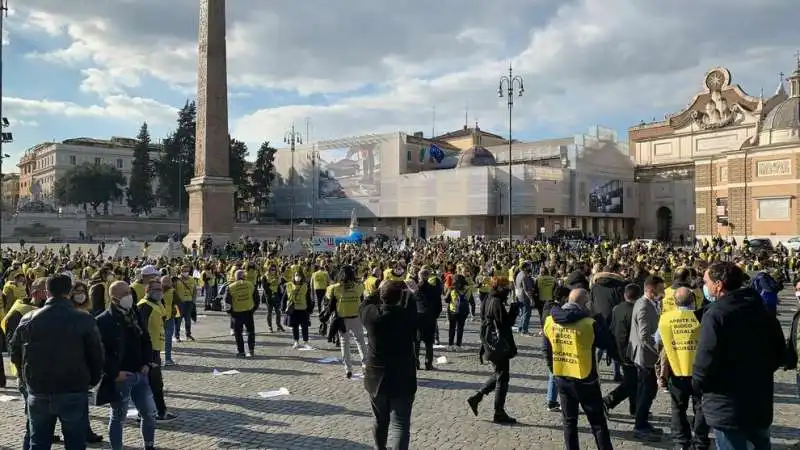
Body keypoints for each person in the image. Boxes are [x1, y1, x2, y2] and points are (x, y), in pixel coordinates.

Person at [693, 261, 784, 450]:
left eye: (706, 281)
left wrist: (698, 384)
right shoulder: (762, 310)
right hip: (759, 399)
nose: (705, 286)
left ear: (718, 285)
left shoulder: (716, 314)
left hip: (726, 403)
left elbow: (705, 360)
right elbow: (779, 354)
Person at [10, 275, 105, 450]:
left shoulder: (29, 318)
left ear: (47, 292)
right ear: (69, 292)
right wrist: (91, 381)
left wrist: (26, 377)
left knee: (38, 443)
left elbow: (15, 353)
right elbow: (97, 356)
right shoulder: (83, 319)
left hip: (39, 390)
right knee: (75, 443)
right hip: (73, 389)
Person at [543, 288, 614, 450]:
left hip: (562, 376)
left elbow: (546, 350)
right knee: (598, 424)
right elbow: (608, 343)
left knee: (569, 423)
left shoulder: (550, 321)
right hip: (586, 378)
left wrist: (554, 370)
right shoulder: (590, 323)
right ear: (586, 304)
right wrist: (597, 315)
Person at [95, 280, 158, 450]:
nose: (128, 296)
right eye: (124, 294)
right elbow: (99, 352)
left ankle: (149, 445)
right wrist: (114, 373)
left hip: (140, 372)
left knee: (150, 413)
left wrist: (147, 362)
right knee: (118, 417)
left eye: (129, 292)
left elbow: (146, 339)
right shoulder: (103, 320)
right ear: (114, 298)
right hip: (121, 376)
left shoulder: (135, 312)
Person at [361, 280, 417, 450]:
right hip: (402, 375)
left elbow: (365, 304)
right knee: (400, 425)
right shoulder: (407, 316)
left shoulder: (372, 317)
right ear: (400, 298)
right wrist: (411, 291)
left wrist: (379, 289)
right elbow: (416, 307)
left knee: (379, 419)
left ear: (381, 297)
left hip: (376, 377)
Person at [657, 287, 710, 450]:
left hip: (676, 370)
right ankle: (700, 441)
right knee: (700, 406)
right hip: (699, 370)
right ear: (693, 300)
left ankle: (681, 441)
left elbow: (656, 341)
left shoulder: (665, 319)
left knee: (678, 408)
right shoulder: (701, 318)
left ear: (675, 301)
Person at [467, 276, 519, 423]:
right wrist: (514, 311)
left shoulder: (488, 299)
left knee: (500, 374)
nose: (508, 292)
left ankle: (477, 397)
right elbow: (505, 323)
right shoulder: (496, 302)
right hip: (498, 345)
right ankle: (498, 411)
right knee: (502, 376)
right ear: (500, 288)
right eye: (506, 289)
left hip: (490, 344)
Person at [68, 281, 105, 444]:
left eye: (83, 291)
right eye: (77, 291)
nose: (80, 294)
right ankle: (83, 433)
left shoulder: (87, 313)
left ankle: (85, 431)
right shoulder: (69, 313)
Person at [629, 275, 665, 441]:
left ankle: (643, 422)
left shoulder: (652, 303)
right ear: (651, 290)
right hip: (645, 356)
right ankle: (640, 425)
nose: (663, 292)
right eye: (660, 289)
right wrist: (659, 351)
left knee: (650, 390)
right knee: (646, 391)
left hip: (648, 355)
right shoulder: (643, 305)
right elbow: (644, 335)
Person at [137, 279, 179, 422]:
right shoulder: (144, 306)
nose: (159, 292)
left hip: (155, 348)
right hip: (149, 351)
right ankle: (158, 412)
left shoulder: (157, 304)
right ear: (147, 291)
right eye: (155, 289)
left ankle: (156, 411)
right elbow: (140, 331)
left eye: (160, 289)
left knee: (154, 383)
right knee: (153, 383)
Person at [603, 283, 642, 417]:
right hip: (629, 352)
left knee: (633, 381)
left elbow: (611, 327)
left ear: (625, 295)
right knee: (631, 383)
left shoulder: (617, 308)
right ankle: (608, 401)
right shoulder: (637, 311)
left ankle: (635, 408)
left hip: (618, 350)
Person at [327, 265, 367, 378]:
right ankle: (365, 365)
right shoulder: (359, 287)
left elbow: (331, 305)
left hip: (342, 319)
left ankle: (348, 369)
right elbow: (362, 300)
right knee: (360, 342)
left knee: (345, 344)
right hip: (356, 317)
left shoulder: (335, 288)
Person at [225, 269, 260, 358]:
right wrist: (253, 309)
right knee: (251, 332)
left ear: (235, 277)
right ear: (244, 276)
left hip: (236, 313)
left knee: (238, 333)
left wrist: (230, 312)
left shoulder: (230, 287)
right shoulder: (251, 284)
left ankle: (241, 352)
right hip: (248, 311)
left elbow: (227, 302)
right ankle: (251, 350)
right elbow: (257, 299)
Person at [414, 266, 442, 370]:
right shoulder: (434, 289)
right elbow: (439, 305)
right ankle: (428, 363)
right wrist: (435, 315)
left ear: (419, 277)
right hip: (430, 317)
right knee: (429, 342)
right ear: (428, 276)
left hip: (418, 317)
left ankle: (416, 363)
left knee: (416, 342)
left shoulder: (415, 290)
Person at [283, 270, 313, 349]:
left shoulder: (305, 286)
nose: (297, 277)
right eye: (296, 275)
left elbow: (308, 298)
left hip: (303, 308)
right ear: (293, 276)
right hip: (293, 308)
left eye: (299, 275)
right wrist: (283, 307)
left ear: (302, 277)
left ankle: (306, 342)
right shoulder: (289, 285)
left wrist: (310, 308)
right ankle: (296, 342)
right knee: (294, 326)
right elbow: (285, 296)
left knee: (305, 326)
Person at [445, 274, 471, 351]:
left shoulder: (451, 288)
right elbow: (468, 299)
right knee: (460, 328)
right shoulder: (467, 288)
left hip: (452, 310)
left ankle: (450, 345)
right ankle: (458, 346)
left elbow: (446, 299)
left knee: (452, 328)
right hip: (462, 310)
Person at [173, 265, 197, 341]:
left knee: (188, 319)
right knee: (178, 320)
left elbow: (195, 291)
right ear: (181, 271)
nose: (186, 272)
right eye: (184, 271)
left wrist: (193, 301)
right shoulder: (177, 279)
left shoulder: (192, 279)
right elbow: (173, 291)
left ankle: (188, 335)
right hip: (180, 302)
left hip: (189, 302)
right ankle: (177, 336)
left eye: (187, 270)